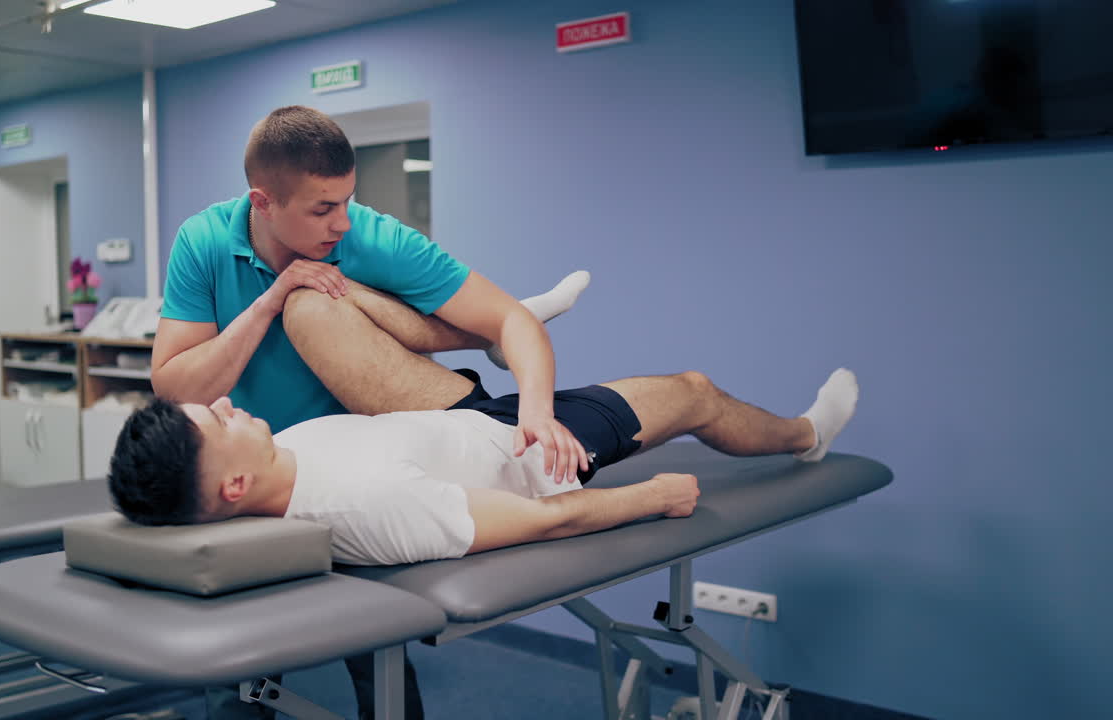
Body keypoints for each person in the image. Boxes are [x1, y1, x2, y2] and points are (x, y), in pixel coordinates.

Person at [152, 104, 590, 719]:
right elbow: (174, 389)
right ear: (264, 201)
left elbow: (508, 316)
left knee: (376, 653)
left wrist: (537, 411)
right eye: (322, 208)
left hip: (346, 468)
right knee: (241, 668)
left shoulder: (370, 235)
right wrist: (268, 303)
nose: (343, 222)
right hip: (254, 469)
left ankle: (470, 339)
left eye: (347, 201)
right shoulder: (204, 241)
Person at [110, 364, 859, 565]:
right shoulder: (365, 504)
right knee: (694, 393)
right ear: (232, 486)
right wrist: (655, 496)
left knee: (324, 306)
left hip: (465, 419)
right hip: (537, 450)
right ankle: (804, 437)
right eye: (219, 419)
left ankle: (505, 331)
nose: (231, 406)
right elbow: (546, 518)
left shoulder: (284, 453)